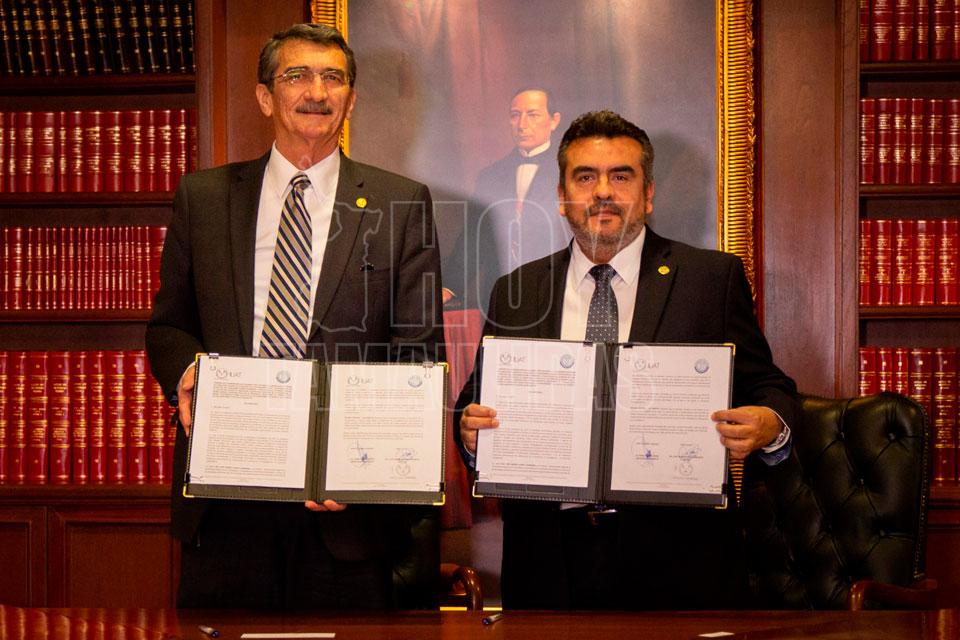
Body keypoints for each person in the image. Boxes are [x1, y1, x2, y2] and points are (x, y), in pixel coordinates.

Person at [146, 24, 444, 609]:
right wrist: (187, 370)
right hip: (228, 505)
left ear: (350, 100)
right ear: (265, 97)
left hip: (345, 516)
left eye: (333, 78)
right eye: (297, 75)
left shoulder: (401, 203)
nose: (317, 91)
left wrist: (363, 470)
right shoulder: (204, 198)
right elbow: (168, 326)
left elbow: (416, 355)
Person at [455, 110, 799, 610]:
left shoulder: (710, 280)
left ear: (648, 193)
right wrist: (470, 433)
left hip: (678, 559)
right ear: (562, 196)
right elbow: (472, 406)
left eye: (621, 176)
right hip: (548, 561)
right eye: (585, 177)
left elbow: (770, 387)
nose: (603, 192)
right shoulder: (518, 290)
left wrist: (769, 423)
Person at [442, 87, 572, 310]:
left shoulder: (572, 173)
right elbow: (474, 237)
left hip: (558, 293)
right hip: (500, 296)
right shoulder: (489, 176)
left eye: (533, 115)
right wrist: (451, 286)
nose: (522, 124)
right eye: (515, 115)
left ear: (554, 120)